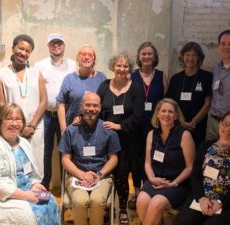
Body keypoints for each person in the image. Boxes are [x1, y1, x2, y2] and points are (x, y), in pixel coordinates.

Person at [0, 103, 60, 225]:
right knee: (34, 212)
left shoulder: (23, 143)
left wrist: (34, 184)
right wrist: (26, 195)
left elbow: (31, 173)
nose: (15, 123)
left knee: (50, 201)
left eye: (18, 119)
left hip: (26, 191)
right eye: (9, 119)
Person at [174, 110, 230, 225]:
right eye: (225, 124)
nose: (227, 129)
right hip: (203, 198)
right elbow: (196, 176)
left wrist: (220, 202)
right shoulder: (205, 146)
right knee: (183, 222)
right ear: (220, 124)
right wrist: (201, 198)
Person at [97, 51, 145, 225]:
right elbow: (96, 108)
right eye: (119, 65)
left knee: (124, 174)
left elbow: (139, 115)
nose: (122, 69)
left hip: (129, 140)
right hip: (107, 140)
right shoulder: (103, 86)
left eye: (125, 66)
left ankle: (123, 208)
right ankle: (107, 206)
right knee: (111, 174)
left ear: (129, 68)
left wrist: (120, 126)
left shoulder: (136, 88)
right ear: (113, 66)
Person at [58, 93, 121, 225]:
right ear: (81, 106)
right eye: (87, 105)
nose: (91, 108)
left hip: (101, 176)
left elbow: (114, 159)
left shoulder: (109, 130)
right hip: (76, 176)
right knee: (80, 202)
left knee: (97, 201)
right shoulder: (71, 130)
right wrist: (81, 174)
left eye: (95, 105)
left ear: (99, 108)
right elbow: (65, 159)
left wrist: (99, 174)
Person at [0, 34, 47, 177]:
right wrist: (18, 126)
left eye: (27, 51)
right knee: (14, 161)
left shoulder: (36, 74)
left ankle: (36, 192)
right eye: (20, 48)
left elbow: (43, 101)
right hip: (12, 126)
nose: (23, 53)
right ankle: (18, 194)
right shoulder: (1, 75)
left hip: (36, 127)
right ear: (13, 48)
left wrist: (32, 126)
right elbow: (2, 106)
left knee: (36, 161)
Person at [136, 98, 195, 225]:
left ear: (176, 116)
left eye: (170, 112)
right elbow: (147, 163)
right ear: (157, 114)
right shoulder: (151, 134)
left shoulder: (184, 135)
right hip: (155, 180)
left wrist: (173, 184)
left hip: (176, 183)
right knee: (141, 201)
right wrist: (151, 178)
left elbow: (190, 167)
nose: (166, 114)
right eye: (163, 111)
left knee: (156, 203)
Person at [34, 33, 76, 189]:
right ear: (48, 46)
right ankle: (45, 184)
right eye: (53, 43)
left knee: (65, 151)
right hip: (46, 115)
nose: (56, 46)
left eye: (59, 43)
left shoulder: (73, 65)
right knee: (45, 151)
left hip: (66, 116)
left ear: (64, 46)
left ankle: (67, 186)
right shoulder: (39, 66)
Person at [129, 41, 168, 209]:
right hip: (137, 126)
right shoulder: (132, 76)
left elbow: (166, 100)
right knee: (136, 160)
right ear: (139, 57)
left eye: (149, 54)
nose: (146, 57)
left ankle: (149, 190)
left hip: (155, 126)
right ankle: (137, 192)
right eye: (143, 54)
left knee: (153, 159)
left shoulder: (161, 76)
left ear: (155, 57)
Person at [166, 42, 212, 148]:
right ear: (182, 57)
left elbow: (208, 103)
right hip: (177, 126)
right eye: (187, 55)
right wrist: (182, 122)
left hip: (198, 127)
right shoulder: (175, 78)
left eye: (194, 55)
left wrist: (193, 123)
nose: (190, 58)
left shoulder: (206, 77)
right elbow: (169, 103)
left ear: (199, 58)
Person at [57, 44, 106, 134]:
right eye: (83, 54)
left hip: (96, 129)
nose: (87, 57)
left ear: (93, 59)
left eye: (90, 55)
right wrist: (63, 129)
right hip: (73, 127)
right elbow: (61, 104)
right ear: (78, 58)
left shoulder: (101, 78)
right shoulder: (69, 79)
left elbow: (105, 103)